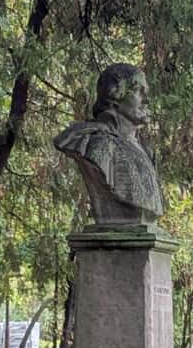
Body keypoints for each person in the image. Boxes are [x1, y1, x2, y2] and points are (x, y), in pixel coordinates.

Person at [54, 63, 164, 226]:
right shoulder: (99, 145)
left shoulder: (146, 152)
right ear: (115, 93)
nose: (146, 100)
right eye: (138, 91)